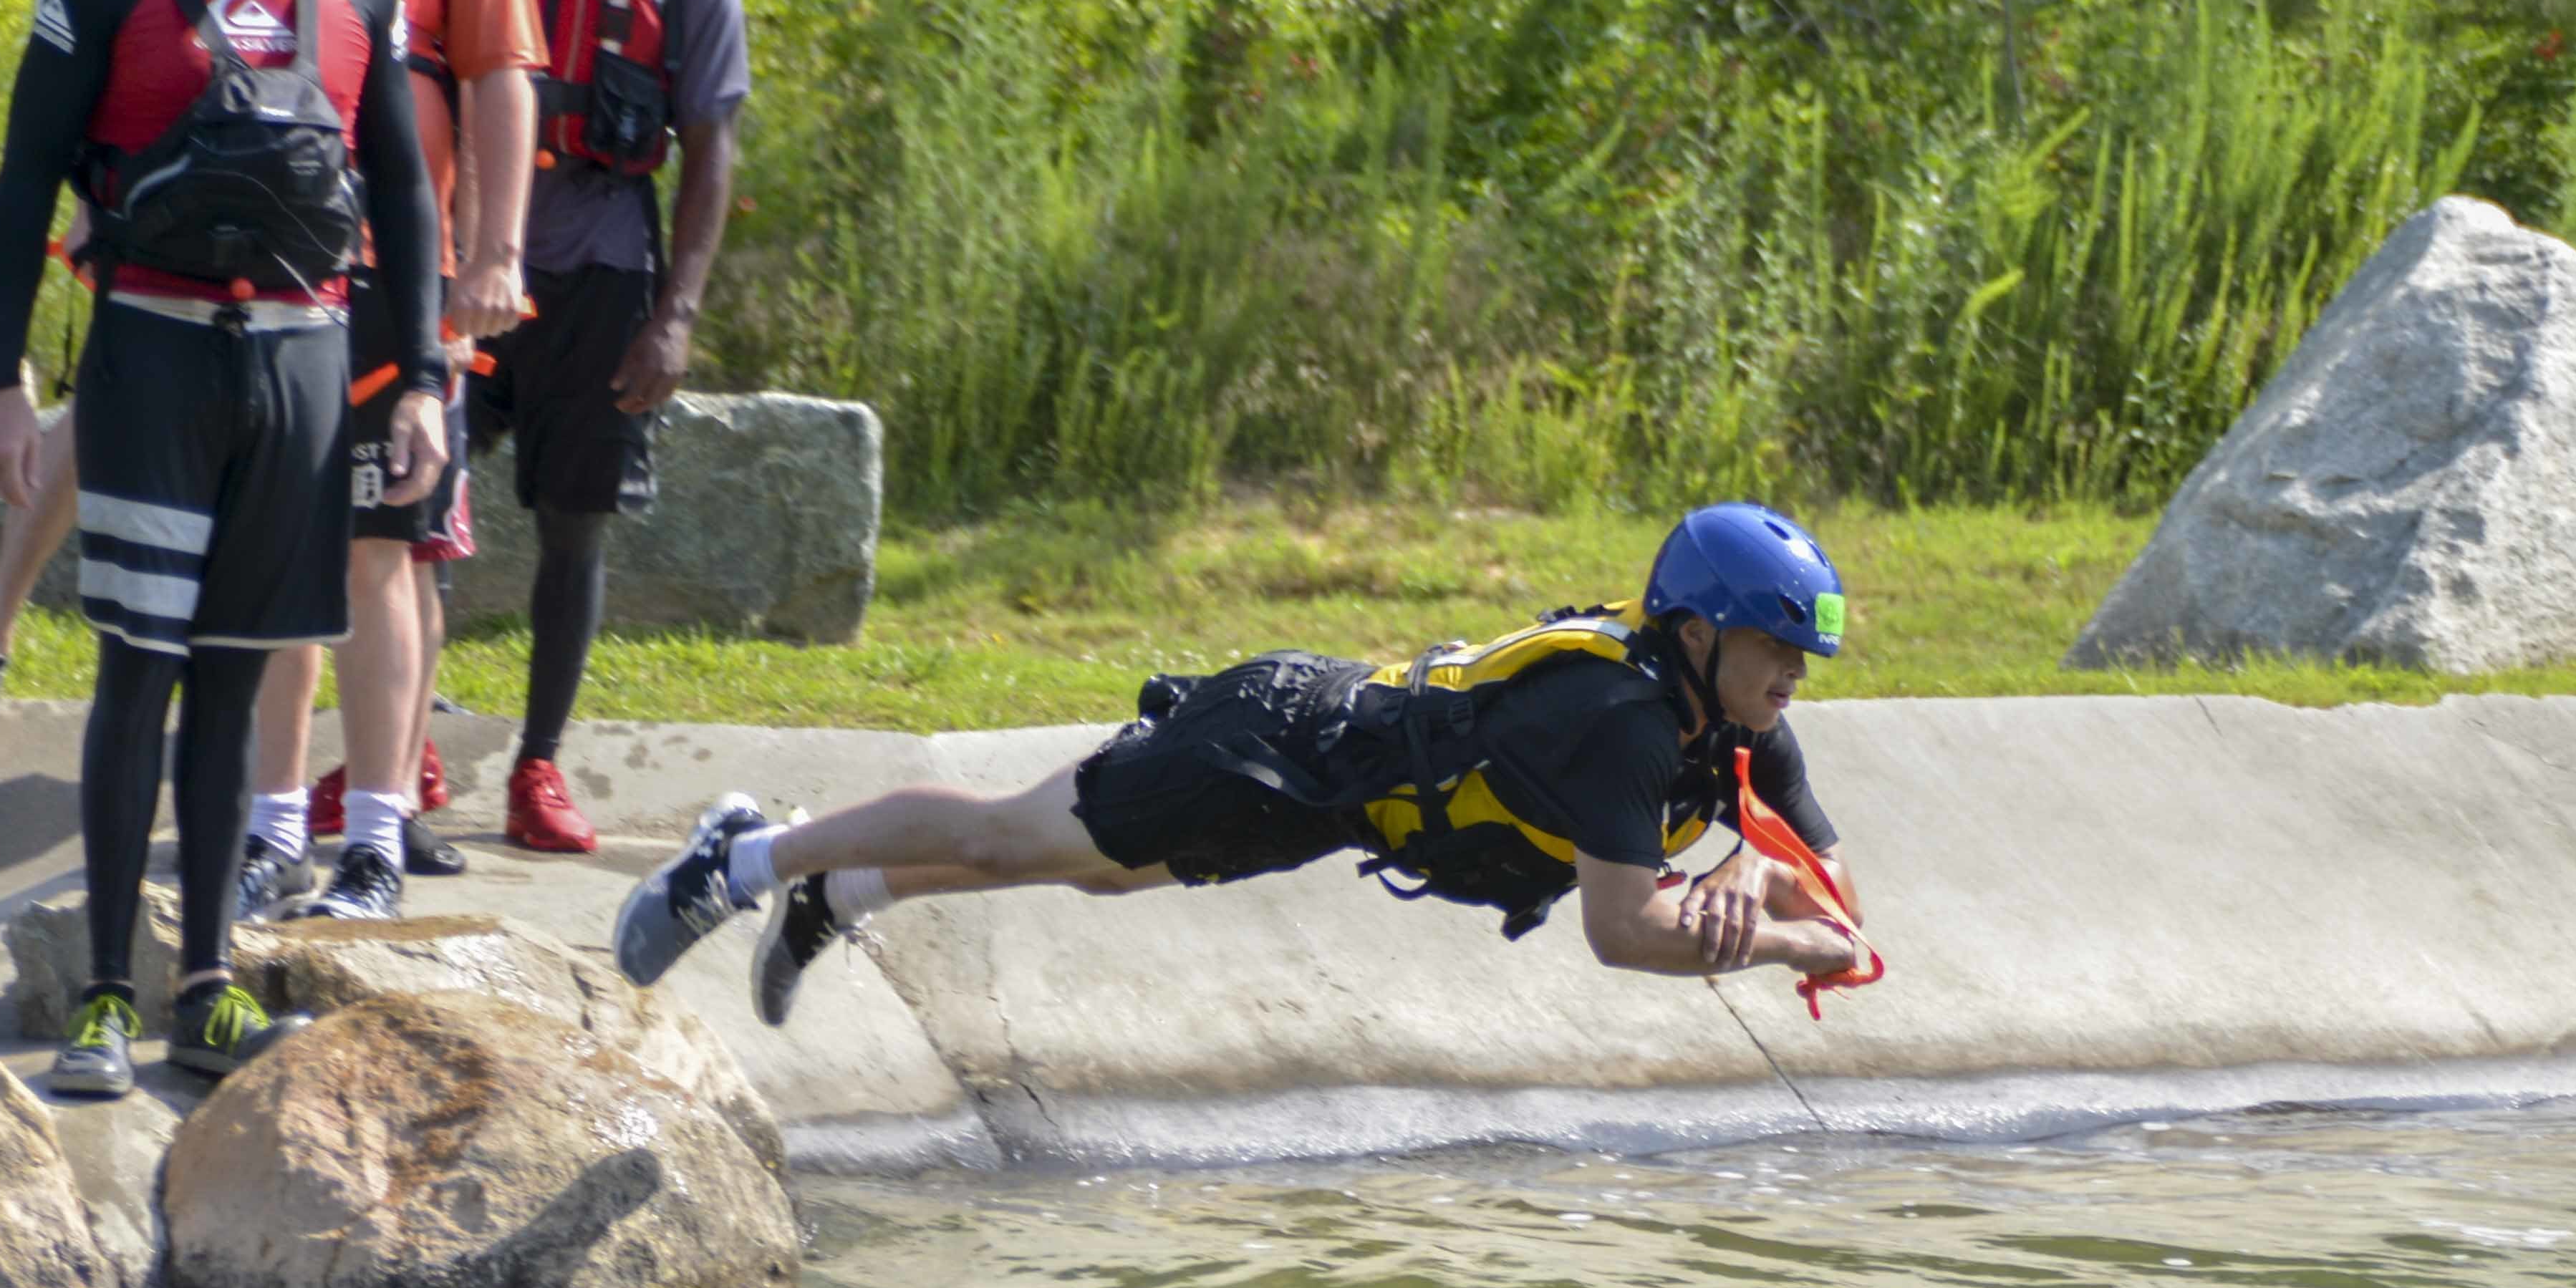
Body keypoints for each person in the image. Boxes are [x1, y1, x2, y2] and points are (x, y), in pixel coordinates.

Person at [0, 0, 536, 934]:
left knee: (381, 547)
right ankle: (214, 794)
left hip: (376, 261)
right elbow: (132, 43)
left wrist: (489, 255)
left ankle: (370, 829)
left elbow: (497, 69)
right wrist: (100, 211)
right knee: (171, 539)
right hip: (193, 262)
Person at [612, 504, 1873, 1030]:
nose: (1793, 676)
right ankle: (743, 856)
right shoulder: (1627, 720)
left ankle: (843, 894)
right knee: (1012, 836)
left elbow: (1838, 904)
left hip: (1332, 805)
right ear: (1698, 631)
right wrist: (1769, 933)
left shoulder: (1746, 724)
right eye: (1777, 648)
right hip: (1280, 743)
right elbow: (1621, 930)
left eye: (1803, 659)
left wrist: (1759, 896)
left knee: (1093, 874)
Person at [0, 0, 445, 1095]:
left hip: (299, 367)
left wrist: (415, 374)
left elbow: (406, 200)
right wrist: (3, 380)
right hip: (153, 358)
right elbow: (18, 192)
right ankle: (108, 997)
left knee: (239, 680)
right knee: (140, 671)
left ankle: (208, 986)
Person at [475, 0, 747, 855]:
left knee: (575, 528)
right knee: (390, 515)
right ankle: (389, 755)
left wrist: (675, 319)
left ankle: (538, 765)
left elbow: (711, 153)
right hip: (467, 263)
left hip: (603, 277)